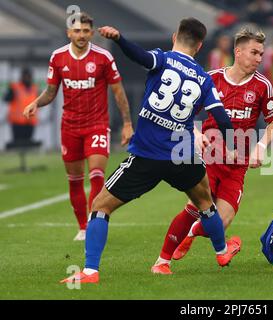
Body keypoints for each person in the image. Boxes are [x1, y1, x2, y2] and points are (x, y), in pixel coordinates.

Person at [60, 17, 241, 284]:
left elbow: (140, 56)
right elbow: (223, 120)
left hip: (146, 154)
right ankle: (222, 252)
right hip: (182, 154)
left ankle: (89, 272)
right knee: (205, 204)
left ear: (174, 36)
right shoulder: (203, 79)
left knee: (100, 206)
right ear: (200, 45)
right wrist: (235, 148)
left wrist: (119, 39)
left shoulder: (163, 59)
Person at [151, 26, 273, 275]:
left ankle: (191, 233)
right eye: (254, 52)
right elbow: (182, 111)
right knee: (193, 207)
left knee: (220, 223)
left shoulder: (263, 86)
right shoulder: (210, 78)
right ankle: (161, 262)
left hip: (238, 165)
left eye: (261, 54)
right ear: (238, 51)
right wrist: (197, 133)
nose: (258, 58)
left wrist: (261, 148)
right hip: (208, 159)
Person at [23, 12, 133, 241]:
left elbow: (118, 91)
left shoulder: (103, 58)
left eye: (85, 31)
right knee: (74, 180)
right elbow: (51, 92)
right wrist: (36, 102)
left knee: (96, 175)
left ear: (91, 33)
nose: (81, 35)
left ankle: (94, 224)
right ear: (69, 33)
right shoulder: (58, 57)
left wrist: (127, 123)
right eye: (77, 31)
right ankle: (82, 227)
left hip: (97, 125)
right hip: (70, 127)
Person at [4, 67, 39, 143]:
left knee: (28, 144)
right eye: (25, 76)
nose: (27, 78)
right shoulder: (14, 88)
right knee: (18, 144)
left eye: (28, 76)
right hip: (17, 122)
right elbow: (6, 98)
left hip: (30, 121)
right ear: (21, 77)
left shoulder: (35, 88)